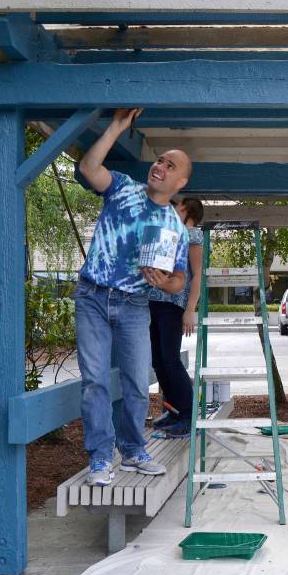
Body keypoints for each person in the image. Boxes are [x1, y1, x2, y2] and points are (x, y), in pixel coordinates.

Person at [76, 107, 192, 487]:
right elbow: (88, 168)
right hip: (93, 296)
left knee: (138, 383)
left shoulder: (175, 226)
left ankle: (132, 450)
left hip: (135, 305)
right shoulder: (123, 186)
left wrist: (163, 284)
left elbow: (179, 280)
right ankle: (99, 457)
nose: (160, 166)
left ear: (180, 182)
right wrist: (115, 127)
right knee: (94, 380)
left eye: (169, 165)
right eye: (159, 160)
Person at [151, 197, 205, 436]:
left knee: (171, 360)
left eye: (175, 207)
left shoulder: (192, 235)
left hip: (173, 304)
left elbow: (198, 275)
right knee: (158, 361)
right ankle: (174, 410)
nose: (172, 211)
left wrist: (190, 308)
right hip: (155, 301)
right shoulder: (173, 234)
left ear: (185, 209)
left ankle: (188, 414)